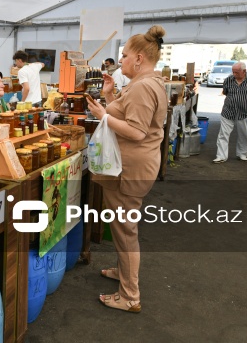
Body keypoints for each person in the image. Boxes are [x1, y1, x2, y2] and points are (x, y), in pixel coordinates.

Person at [86, 25, 168, 313]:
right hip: (131, 165)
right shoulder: (145, 83)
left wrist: (101, 117)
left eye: (123, 56)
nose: (119, 61)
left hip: (131, 168)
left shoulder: (144, 87)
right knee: (121, 226)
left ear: (139, 59)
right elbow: (124, 114)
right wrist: (109, 97)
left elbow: (135, 131)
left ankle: (130, 295)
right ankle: (124, 273)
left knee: (124, 230)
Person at [213, 62, 247, 163]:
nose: (234, 74)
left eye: (237, 72)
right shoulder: (228, 80)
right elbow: (225, 92)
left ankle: (242, 154)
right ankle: (221, 156)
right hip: (228, 111)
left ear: (244, 71)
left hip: (245, 112)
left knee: (243, 134)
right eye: (233, 72)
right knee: (223, 134)